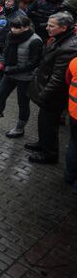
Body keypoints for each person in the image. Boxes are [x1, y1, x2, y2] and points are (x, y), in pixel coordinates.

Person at [26, 12, 77, 164]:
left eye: (51, 26)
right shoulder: (61, 39)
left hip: (53, 95)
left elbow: (58, 78)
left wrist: (44, 95)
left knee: (49, 125)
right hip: (47, 90)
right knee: (43, 122)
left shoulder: (69, 47)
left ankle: (49, 153)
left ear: (63, 28)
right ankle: (42, 144)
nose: (46, 28)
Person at [0, 16, 43, 137]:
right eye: (12, 26)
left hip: (25, 77)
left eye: (17, 27)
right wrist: (1, 64)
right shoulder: (10, 35)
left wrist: (12, 69)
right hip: (9, 74)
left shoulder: (35, 41)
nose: (13, 30)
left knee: (22, 102)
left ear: (26, 27)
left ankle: (20, 128)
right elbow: (5, 51)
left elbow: (34, 63)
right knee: (0, 96)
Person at [64, 57, 77, 191]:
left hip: (74, 112)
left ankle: (69, 175)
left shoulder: (75, 62)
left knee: (73, 144)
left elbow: (68, 79)